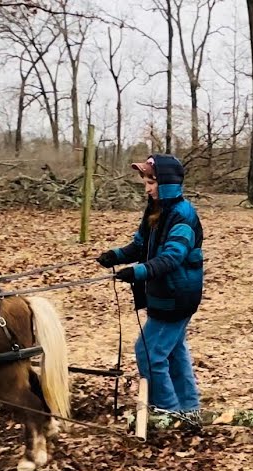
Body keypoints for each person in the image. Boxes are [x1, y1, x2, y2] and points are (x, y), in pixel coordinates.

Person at [97, 154, 204, 426]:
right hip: (163, 294)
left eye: (151, 182)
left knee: (148, 352)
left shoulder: (182, 216)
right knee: (173, 350)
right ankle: (188, 409)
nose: (147, 188)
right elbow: (139, 247)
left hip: (177, 296)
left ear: (167, 183)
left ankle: (167, 413)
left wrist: (137, 272)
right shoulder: (155, 211)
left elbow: (172, 257)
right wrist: (115, 256)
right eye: (145, 182)